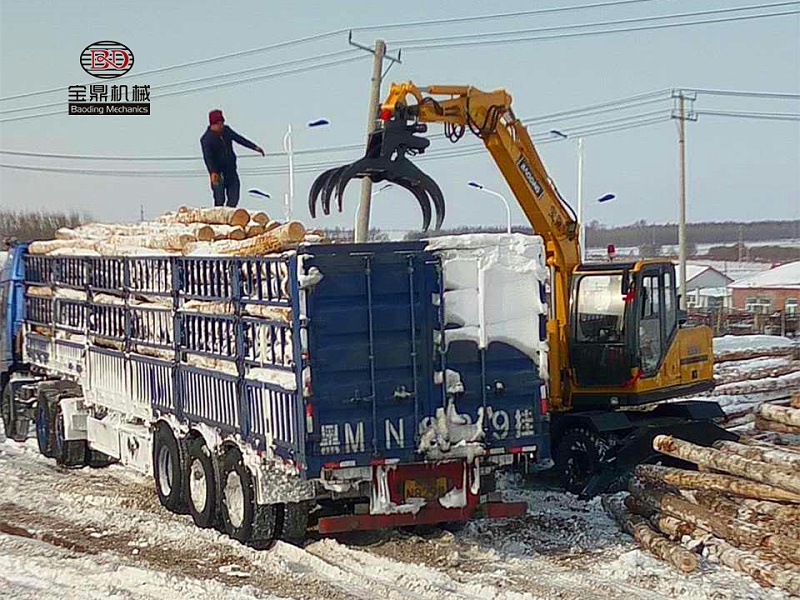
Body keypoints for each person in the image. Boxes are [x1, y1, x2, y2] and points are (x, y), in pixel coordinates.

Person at [200, 109, 264, 207]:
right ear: (213, 124)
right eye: (219, 123)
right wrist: (212, 172)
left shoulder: (227, 131)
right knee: (219, 199)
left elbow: (239, 139)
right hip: (217, 173)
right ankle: (219, 219)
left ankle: (231, 217)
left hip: (230, 170)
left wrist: (254, 147)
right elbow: (207, 157)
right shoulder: (206, 139)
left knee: (234, 196)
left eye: (222, 123)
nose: (221, 125)